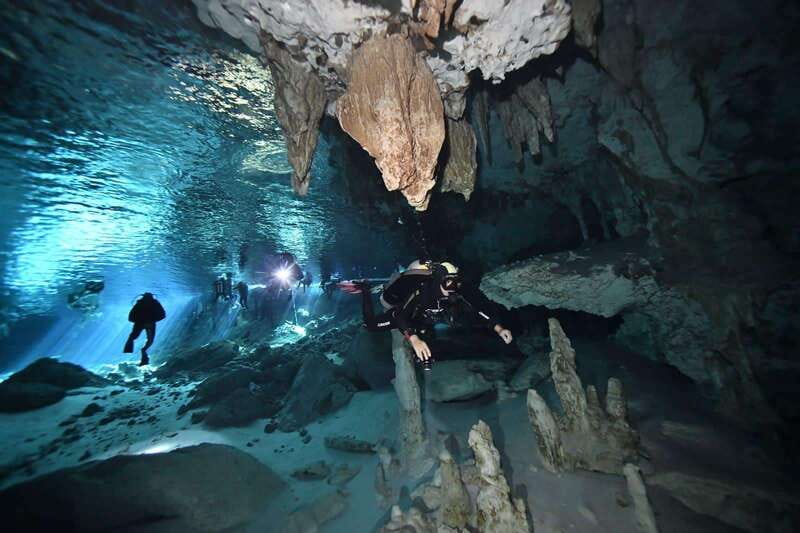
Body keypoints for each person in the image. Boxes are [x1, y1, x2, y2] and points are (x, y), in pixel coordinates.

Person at [353, 261, 513, 366]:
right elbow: (401, 316)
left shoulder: (454, 291)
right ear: (438, 280)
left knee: (441, 326)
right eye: (448, 283)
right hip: (406, 311)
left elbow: (477, 308)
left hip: (425, 318)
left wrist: (498, 328)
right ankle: (365, 290)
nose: (453, 288)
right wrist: (413, 339)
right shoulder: (423, 290)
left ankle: (425, 350)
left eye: (455, 283)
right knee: (370, 325)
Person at [123, 292, 166, 366]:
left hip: (140, 323)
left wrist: (139, 321)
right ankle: (143, 353)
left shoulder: (139, 304)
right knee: (149, 340)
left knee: (133, 337)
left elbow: (130, 317)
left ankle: (131, 352)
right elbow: (162, 315)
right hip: (150, 323)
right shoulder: (155, 304)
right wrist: (153, 320)